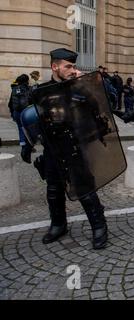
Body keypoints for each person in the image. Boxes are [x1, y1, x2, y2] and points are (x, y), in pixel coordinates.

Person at [23, 48, 108, 249]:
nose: (72, 69)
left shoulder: (78, 89)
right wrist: (27, 145)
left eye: (74, 66)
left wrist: (85, 85)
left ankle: (99, 226)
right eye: (68, 66)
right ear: (55, 67)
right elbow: (30, 121)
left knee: (85, 189)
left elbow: (99, 107)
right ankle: (58, 224)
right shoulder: (40, 92)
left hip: (75, 147)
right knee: (53, 189)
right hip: (52, 150)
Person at [8, 74, 33, 163]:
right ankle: (28, 147)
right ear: (26, 81)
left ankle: (24, 147)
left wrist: (12, 114)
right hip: (27, 112)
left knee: (21, 129)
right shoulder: (29, 88)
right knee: (30, 130)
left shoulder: (14, 89)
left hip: (17, 113)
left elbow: (10, 103)